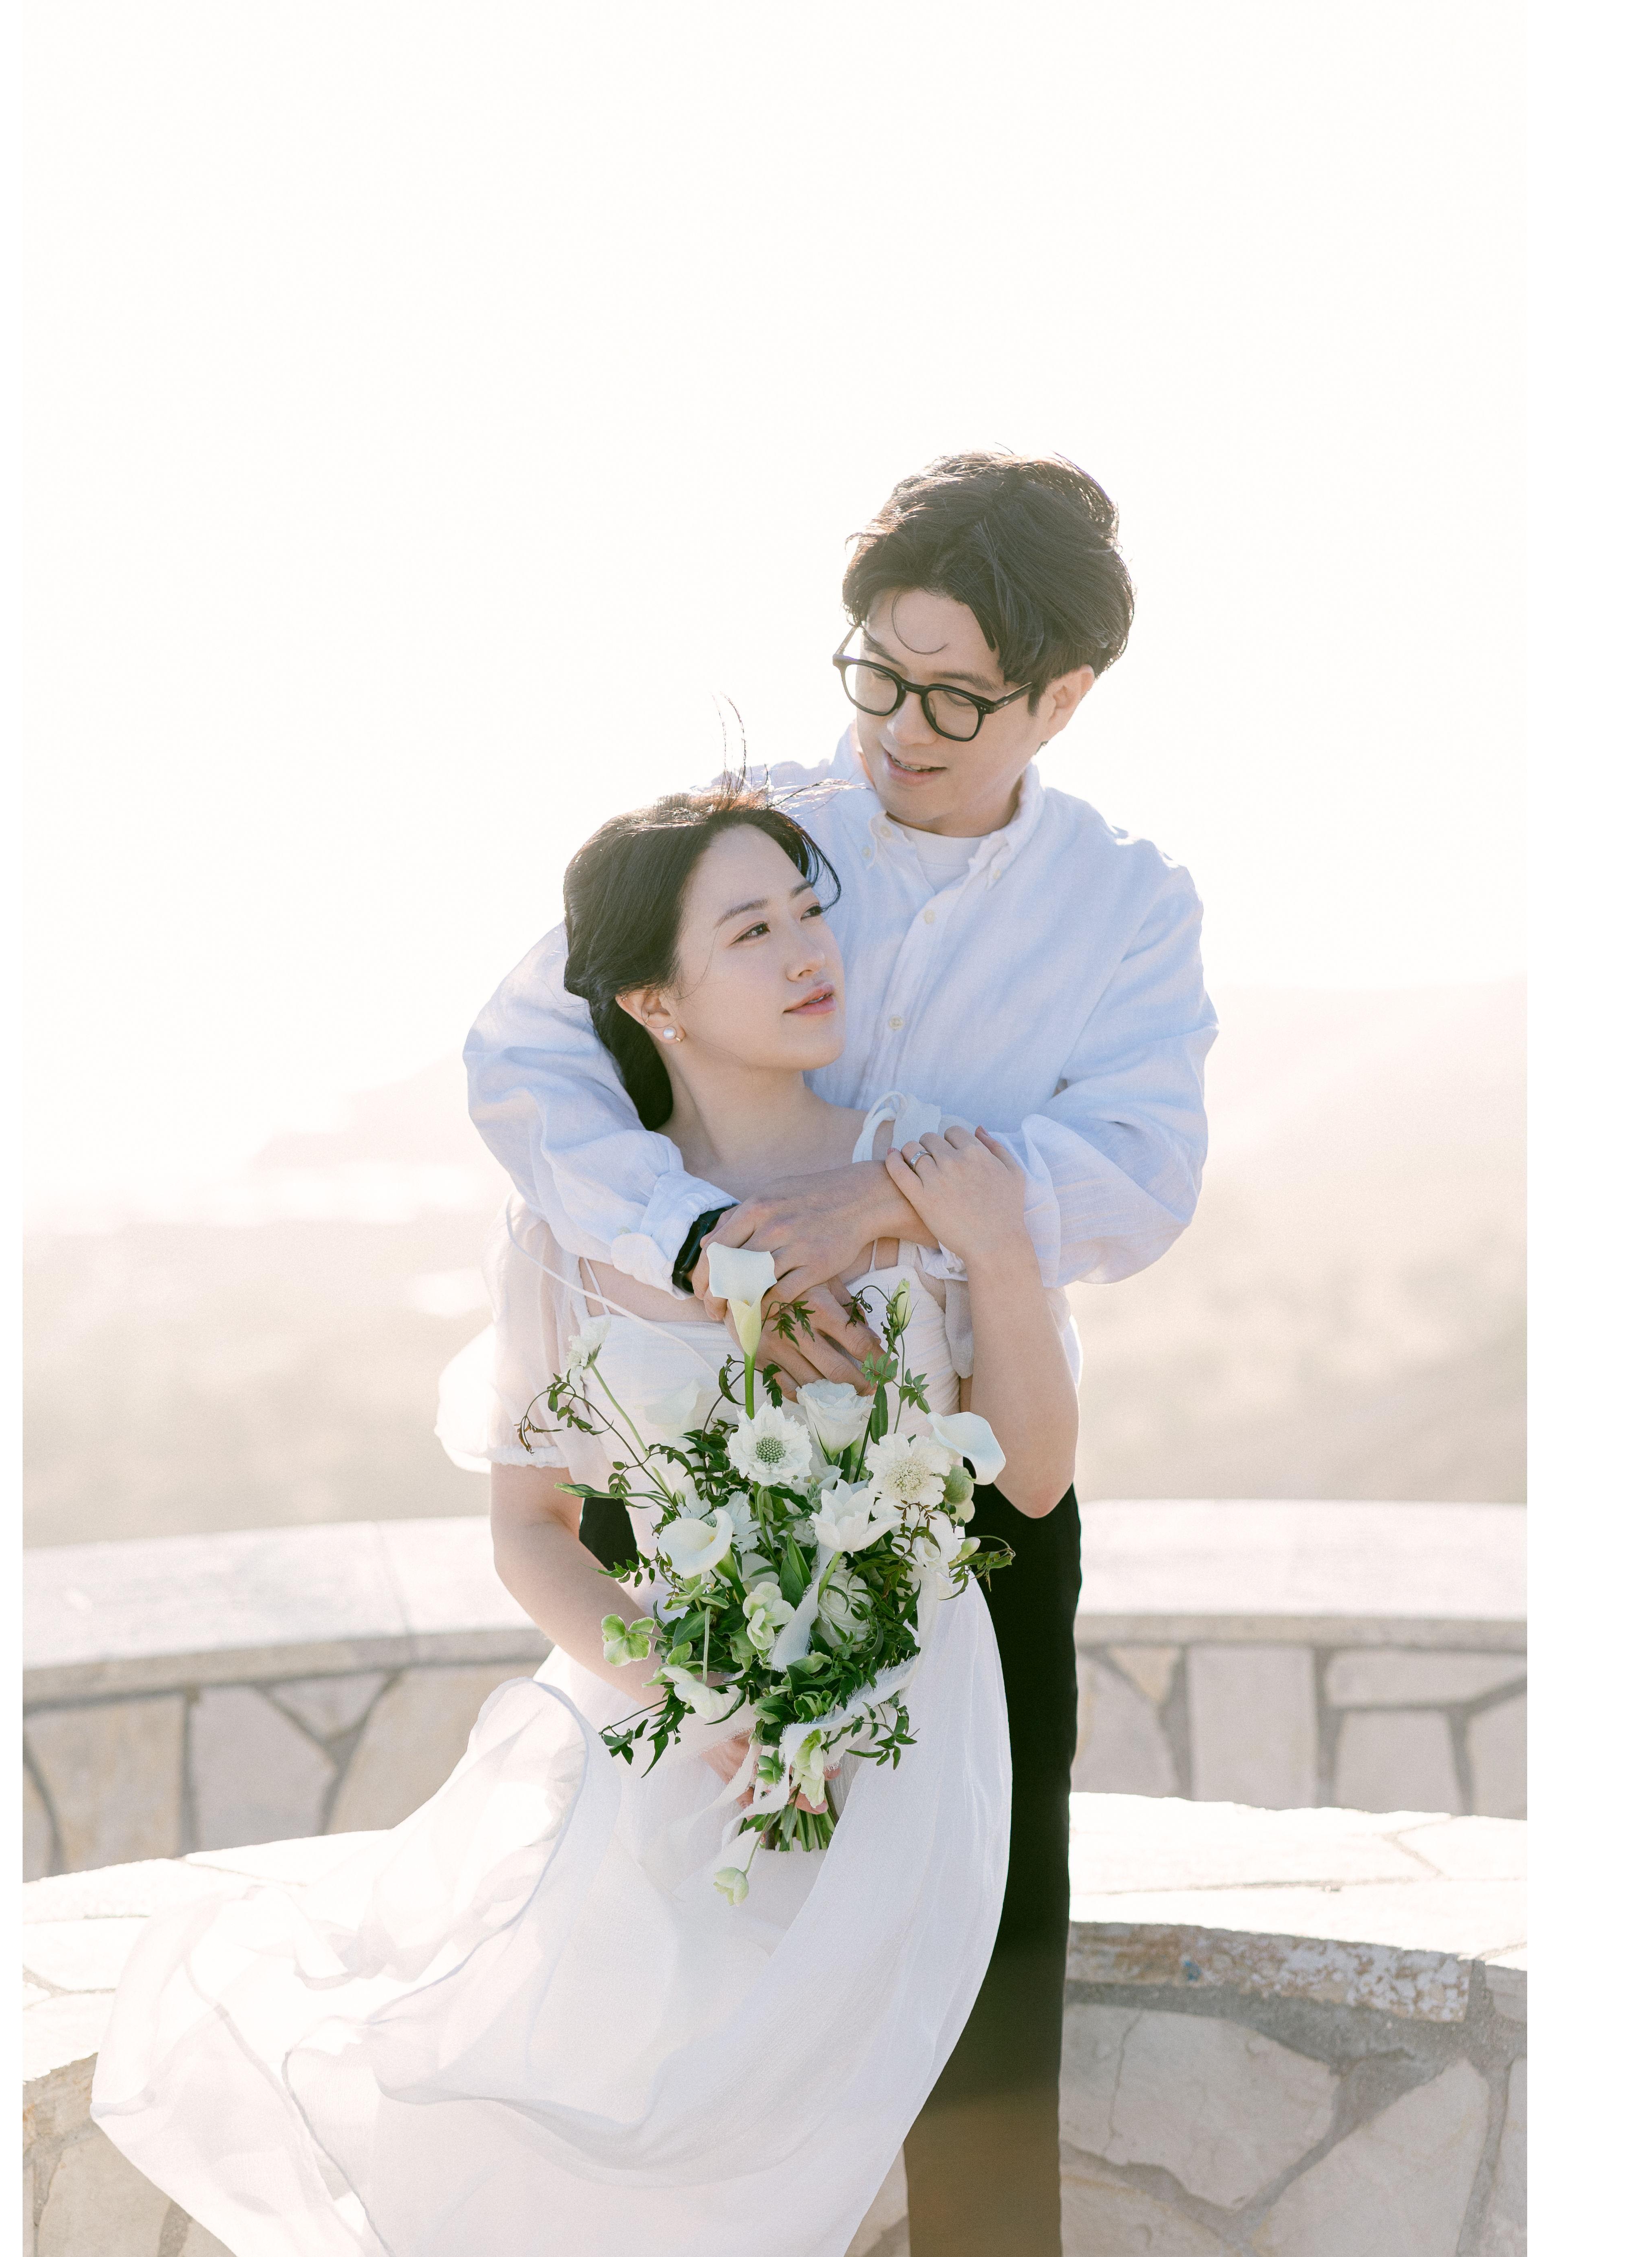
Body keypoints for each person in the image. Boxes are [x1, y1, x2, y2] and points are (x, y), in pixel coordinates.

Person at [90, 791, 1081, 2257]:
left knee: (914, 2139)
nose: (807, 952)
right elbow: (530, 1528)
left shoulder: (926, 1169)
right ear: (651, 999)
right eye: (751, 930)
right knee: (629, 2141)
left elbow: (1034, 1479)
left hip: (917, 1731)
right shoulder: (569, 1229)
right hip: (678, 1737)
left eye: (810, 913)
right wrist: (704, 1695)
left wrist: (991, 1244)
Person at [463, 451, 1216, 2255]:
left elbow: (1140, 1168)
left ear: (1060, 699)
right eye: (877, 669)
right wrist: (700, 1244)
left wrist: (887, 1202)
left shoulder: (1122, 903)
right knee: (682, 1973)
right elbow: (528, 1056)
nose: (898, 725)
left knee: (986, 1970)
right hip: (692, 1457)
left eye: (955, 695)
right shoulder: (757, 837)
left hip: (973, 1464)